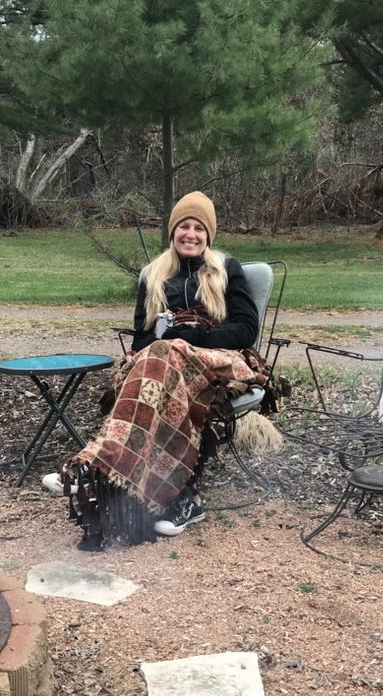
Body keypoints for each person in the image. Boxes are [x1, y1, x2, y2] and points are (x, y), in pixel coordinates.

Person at [44, 191, 269, 547]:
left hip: (219, 360)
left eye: (198, 228)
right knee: (159, 364)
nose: (190, 234)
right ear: (172, 232)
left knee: (165, 356)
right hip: (161, 365)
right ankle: (184, 501)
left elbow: (246, 329)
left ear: (208, 235)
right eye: (183, 226)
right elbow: (140, 341)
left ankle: (95, 466)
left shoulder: (227, 269)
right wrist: (165, 340)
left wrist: (198, 334)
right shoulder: (153, 275)